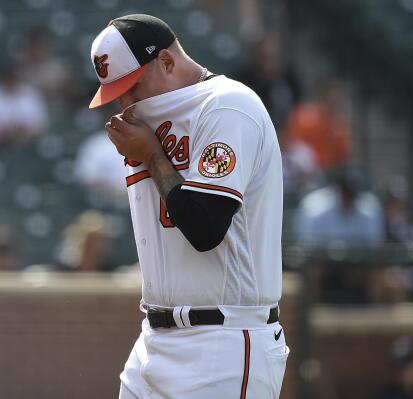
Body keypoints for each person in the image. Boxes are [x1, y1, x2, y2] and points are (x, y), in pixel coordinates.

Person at [89, 14, 288, 399]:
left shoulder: (228, 105)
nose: (127, 102)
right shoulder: (149, 119)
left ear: (166, 62)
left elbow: (205, 228)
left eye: (132, 86)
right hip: (153, 338)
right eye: (117, 94)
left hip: (223, 341)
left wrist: (152, 156)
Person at [0, 60, 49, 143]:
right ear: (0, 77)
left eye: (13, 77)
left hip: (28, 143)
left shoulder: (31, 93)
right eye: (7, 77)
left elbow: (41, 124)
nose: (10, 81)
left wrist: (22, 130)